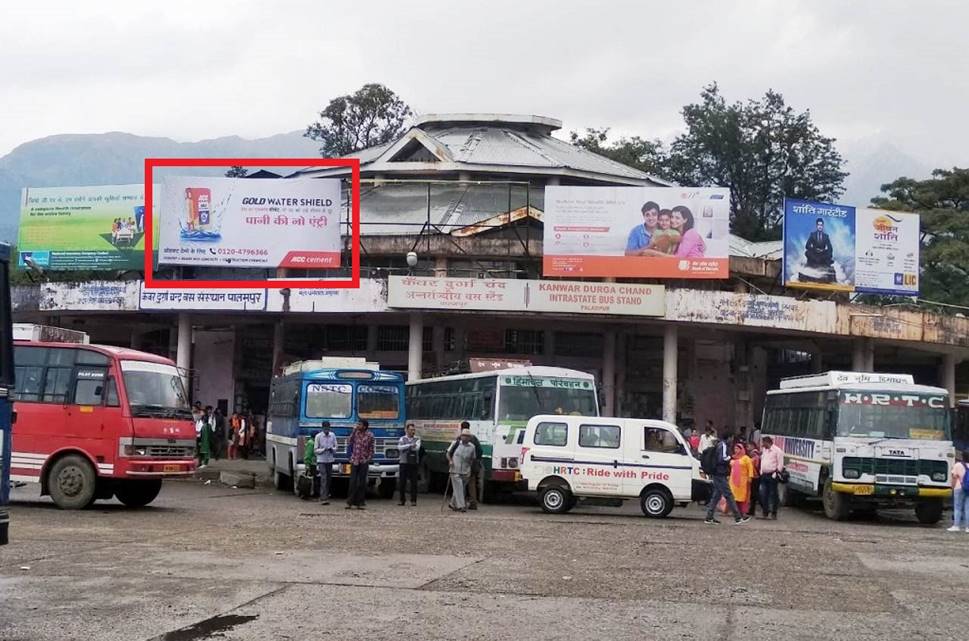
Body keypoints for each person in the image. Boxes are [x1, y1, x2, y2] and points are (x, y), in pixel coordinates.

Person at [705, 431, 750, 525]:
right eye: (731, 438)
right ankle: (738, 517)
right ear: (729, 438)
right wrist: (730, 458)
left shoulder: (719, 444)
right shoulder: (723, 445)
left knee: (716, 496)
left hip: (717, 473)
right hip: (720, 474)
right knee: (729, 495)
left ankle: (709, 517)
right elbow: (722, 458)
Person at [447, 421, 483, 510]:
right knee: (459, 486)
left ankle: (452, 503)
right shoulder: (456, 442)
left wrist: (471, 466)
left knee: (461, 487)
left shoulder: (472, 446)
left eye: (467, 436)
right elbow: (448, 453)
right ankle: (461, 506)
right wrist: (450, 461)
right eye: (464, 436)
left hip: (467, 469)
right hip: (455, 469)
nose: (465, 438)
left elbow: (473, 457)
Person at [346, 419, 374, 510]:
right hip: (354, 460)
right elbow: (349, 441)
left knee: (362, 482)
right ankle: (350, 502)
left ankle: (360, 502)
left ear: (365, 426)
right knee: (352, 481)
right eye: (358, 424)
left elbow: (371, 448)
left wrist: (368, 459)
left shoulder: (370, 435)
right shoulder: (356, 433)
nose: (358, 426)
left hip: (363, 461)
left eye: (360, 424)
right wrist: (354, 431)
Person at [759, 436, 785, 520]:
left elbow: (780, 463)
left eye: (764, 443)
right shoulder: (765, 450)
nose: (763, 445)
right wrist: (761, 470)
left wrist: (776, 472)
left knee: (773, 494)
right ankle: (765, 511)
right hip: (764, 474)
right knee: (763, 493)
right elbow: (763, 460)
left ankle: (774, 512)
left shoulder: (777, 451)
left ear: (768, 442)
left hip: (772, 475)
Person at [725, 443, 754, 516]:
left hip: (742, 481)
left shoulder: (746, 458)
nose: (736, 450)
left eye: (738, 449)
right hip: (733, 480)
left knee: (742, 497)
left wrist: (750, 477)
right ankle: (733, 511)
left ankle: (741, 511)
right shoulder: (733, 458)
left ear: (742, 449)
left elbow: (750, 468)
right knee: (732, 495)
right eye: (735, 449)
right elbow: (729, 468)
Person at [397, 423, 421, 506]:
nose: (412, 431)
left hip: (414, 463)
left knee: (414, 482)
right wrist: (410, 445)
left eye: (413, 430)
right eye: (411, 429)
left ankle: (413, 500)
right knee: (402, 482)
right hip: (403, 462)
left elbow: (417, 448)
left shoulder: (417, 439)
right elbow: (399, 448)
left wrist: (406, 446)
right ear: (407, 430)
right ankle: (402, 500)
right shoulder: (402, 438)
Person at [314, 422, 337, 505]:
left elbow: (336, 447)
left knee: (329, 478)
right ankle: (323, 497)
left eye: (328, 428)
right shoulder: (318, 436)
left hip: (330, 459)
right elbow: (315, 450)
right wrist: (323, 450)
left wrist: (332, 449)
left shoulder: (333, 435)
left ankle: (326, 494)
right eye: (325, 428)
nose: (327, 430)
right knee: (324, 477)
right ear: (322, 428)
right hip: (321, 460)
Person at [948, 452, 969, 532]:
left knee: (958, 507)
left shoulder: (958, 465)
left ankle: (956, 526)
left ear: (962, 457)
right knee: (968, 508)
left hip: (959, 487)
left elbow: (954, 477)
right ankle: (968, 528)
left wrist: (952, 487)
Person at [303, 431, 317, 498]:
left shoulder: (311, 442)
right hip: (312, 463)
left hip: (312, 463)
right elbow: (308, 455)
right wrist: (307, 464)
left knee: (311, 479)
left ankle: (308, 494)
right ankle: (310, 494)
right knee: (312, 479)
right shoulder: (311, 443)